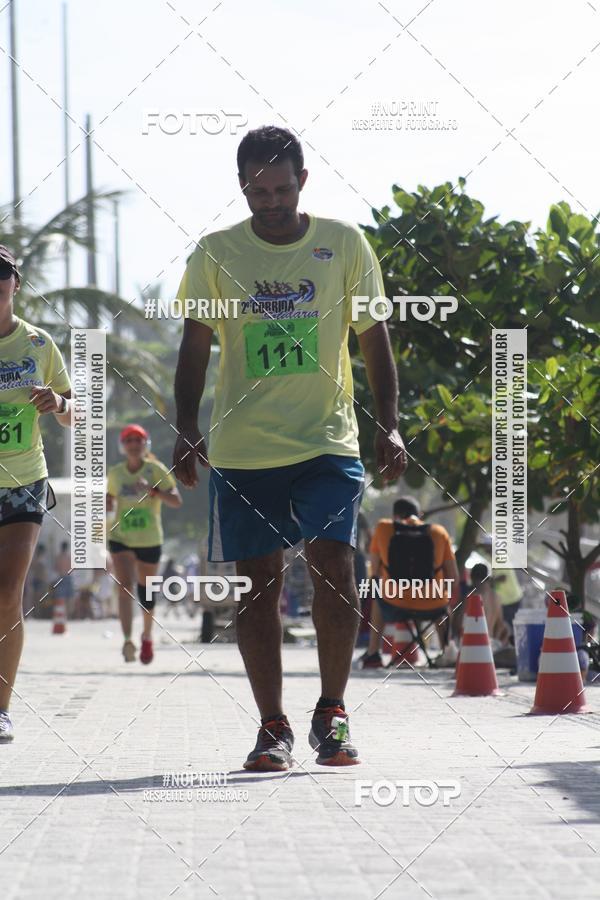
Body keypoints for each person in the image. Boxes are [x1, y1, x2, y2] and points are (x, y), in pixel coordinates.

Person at [172, 126, 407, 770]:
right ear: (241, 185)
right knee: (257, 588)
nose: (270, 201)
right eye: (258, 190)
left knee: (335, 563)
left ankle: (333, 712)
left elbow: (373, 336)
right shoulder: (216, 253)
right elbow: (195, 344)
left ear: (303, 181)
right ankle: (272, 726)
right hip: (245, 448)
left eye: (281, 188)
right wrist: (186, 425)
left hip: (327, 439)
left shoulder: (344, 243)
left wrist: (388, 423)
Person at [0, 245, 72, 742]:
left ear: (16, 284)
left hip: (24, 481)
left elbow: (76, 412)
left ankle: (1, 707)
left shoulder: (39, 343)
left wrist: (59, 403)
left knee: (8, 593)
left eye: (1, 276)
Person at [107, 424, 182, 664]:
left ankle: (147, 636)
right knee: (124, 586)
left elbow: (176, 501)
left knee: (146, 591)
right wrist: (106, 504)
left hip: (149, 539)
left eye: (137, 440)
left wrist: (154, 491)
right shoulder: (115, 473)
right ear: (122, 446)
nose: (133, 445)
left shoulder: (156, 470)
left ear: (145, 444)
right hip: (121, 537)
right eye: (128, 440)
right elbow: (109, 500)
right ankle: (127, 640)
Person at [361, 496, 460, 668]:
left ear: (395, 516)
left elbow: (375, 571)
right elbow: (454, 578)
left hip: (394, 604)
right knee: (443, 603)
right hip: (433, 605)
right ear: (420, 514)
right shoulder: (439, 532)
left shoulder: (383, 528)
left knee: (378, 596)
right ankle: (446, 650)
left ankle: (373, 653)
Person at [469, 563, 511, 647]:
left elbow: (459, 625)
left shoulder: (472, 597)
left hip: (473, 645)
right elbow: (501, 625)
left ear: (473, 578)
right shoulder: (497, 597)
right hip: (491, 644)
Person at [54, 540, 75, 617]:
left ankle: (62, 614)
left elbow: (55, 568)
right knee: (69, 597)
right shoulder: (69, 557)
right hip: (68, 577)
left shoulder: (58, 557)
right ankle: (69, 615)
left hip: (61, 577)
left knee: (61, 597)